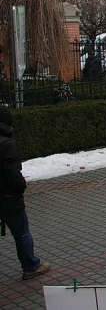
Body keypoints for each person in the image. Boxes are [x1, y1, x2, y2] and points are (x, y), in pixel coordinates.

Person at [0, 108, 51, 280]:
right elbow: (13, 174)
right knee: (21, 233)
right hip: (8, 198)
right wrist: (21, 186)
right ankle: (30, 266)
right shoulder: (7, 144)